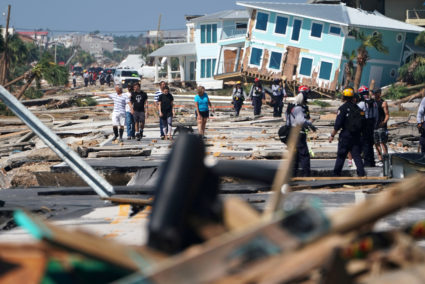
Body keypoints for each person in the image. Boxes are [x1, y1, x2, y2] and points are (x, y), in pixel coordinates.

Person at [329, 88, 366, 177]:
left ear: (343, 97)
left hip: (345, 135)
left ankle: (336, 174)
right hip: (356, 136)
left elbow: (338, 124)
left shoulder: (342, 108)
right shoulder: (357, 108)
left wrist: (332, 135)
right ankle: (361, 174)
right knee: (357, 155)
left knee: (341, 155)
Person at [287, 93, 317, 176]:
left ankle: (293, 174)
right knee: (304, 154)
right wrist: (310, 124)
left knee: (295, 155)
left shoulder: (290, 107)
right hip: (299, 133)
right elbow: (301, 121)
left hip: (291, 133)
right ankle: (306, 174)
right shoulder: (299, 108)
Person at [357, 86, 378, 167]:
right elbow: (376, 116)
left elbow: (356, 115)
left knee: (365, 144)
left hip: (364, 126)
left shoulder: (361, 104)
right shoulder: (374, 103)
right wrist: (375, 125)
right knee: (370, 144)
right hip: (372, 125)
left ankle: (367, 163)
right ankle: (372, 161)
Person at [373, 89, 389, 166]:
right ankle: (380, 159)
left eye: (376, 93)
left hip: (381, 126)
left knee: (382, 143)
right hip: (374, 126)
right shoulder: (372, 102)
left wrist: (384, 122)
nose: (375, 94)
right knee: (376, 143)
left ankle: (385, 158)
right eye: (374, 93)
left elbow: (387, 114)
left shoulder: (383, 103)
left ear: (379, 93)